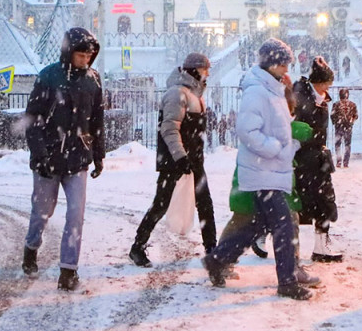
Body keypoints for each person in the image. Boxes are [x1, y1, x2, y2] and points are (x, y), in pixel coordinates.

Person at [202, 37, 312, 300]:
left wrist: (287, 144)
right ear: (271, 64)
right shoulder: (258, 91)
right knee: (283, 225)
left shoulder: (271, 89)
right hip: (264, 171)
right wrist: (277, 148)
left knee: (256, 225)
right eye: (284, 64)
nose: (287, 69)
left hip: (271, 170)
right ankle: (286, 282)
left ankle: (218, 259)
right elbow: (247, 131)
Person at [22, 27, 105, 291]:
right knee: (42, 213)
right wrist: (40, 154)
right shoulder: (48, 77)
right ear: (69, 53)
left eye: (89, 56)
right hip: (48, 157)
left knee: (75, 215)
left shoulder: (93, 81)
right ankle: (31, 247)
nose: (86, 60)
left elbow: (97, 120)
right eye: (81, 55)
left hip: (78, 157)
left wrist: (99, 155)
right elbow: (33, 119)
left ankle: (68, 271)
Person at [129, 52, 217, 266]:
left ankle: (213, 251)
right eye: (204, 69)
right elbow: (169, 129)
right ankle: (137, 247)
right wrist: (180, 157)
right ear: (194, 70)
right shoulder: (177, 94)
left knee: (205, 205)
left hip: (194, 161)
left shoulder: (194, 94)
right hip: (174, 161)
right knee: (161, 204)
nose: (207, 74)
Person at [294, 57, 343, 263]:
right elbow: (299, 128)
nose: (329, 88)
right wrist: (313, 139)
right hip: (303, 159)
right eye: (327, 84)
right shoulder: (302, 97)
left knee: (323, 200)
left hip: (317, 158)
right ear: (319, 83)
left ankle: (321, 245)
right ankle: (264, 236)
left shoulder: (319, 98)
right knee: (297, 203)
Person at [331, 88, 358, 168]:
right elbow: (356, 115)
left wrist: (336, 122)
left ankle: (339, 162)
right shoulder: (352, 105)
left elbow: (332, 115)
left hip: (339, 127)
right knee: (347, 145)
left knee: (338, 145)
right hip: (348, 127)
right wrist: (351, 121)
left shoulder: (336, 104)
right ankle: (346, 162)